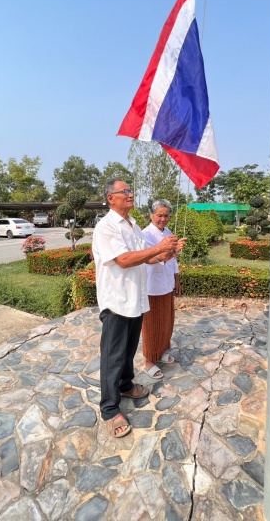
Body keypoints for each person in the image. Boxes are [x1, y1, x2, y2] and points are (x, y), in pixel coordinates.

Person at [92, 179, 179, 438]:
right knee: (113, 356)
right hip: (117, 300)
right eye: (125, 191)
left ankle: (126, 385)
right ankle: (109, 409)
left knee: (128, 349)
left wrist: (165, 254)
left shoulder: (133, 225)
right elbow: (123, 259)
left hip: (135, 299)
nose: (130, 194)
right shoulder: (106, 227)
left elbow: (145, 257)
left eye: (130, 191)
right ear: (111, 198)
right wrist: (158, 247)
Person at [141, 200, 186, 378]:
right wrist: (170, 253)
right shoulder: (146, 234)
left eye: (166, 215)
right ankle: (149, 360)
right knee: (151, 324)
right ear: (151, 215)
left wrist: (176, 279)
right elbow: (150, 259)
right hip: (152, 286)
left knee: (167, 321)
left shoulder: (168, 233)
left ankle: (161, 352)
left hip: (166, 284)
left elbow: (173, 261)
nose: (163, 219)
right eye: (159, 215)